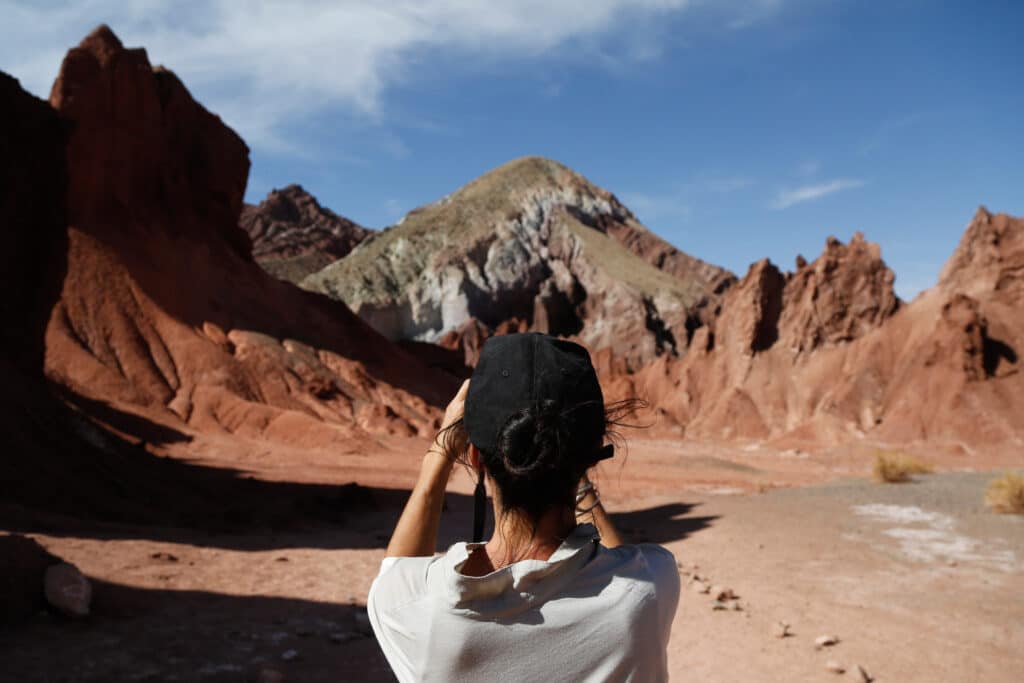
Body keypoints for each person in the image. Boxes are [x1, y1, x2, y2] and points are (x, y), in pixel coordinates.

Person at [367, 333, 680, 682]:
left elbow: (397, 570)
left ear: (474, 457)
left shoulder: (421, 614)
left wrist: (441, 452)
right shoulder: (648, 590)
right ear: (587, 460)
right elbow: (626, 564)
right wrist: (576, 474)